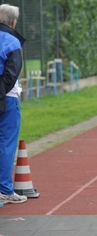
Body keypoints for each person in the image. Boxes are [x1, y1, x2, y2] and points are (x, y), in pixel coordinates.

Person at [0, 4, 27, 204]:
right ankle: (5, 190)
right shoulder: (12, 41)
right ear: (13, 22)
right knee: (6, 143)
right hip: (7, 98)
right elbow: (11, 74)